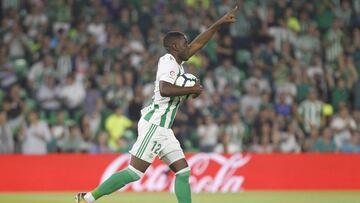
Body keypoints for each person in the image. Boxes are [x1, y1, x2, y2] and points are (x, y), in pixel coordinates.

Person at [76, 5, 238, 203]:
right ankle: (87, 199)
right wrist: (191, 90)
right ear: (175, 47)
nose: (189, 47)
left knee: (183, 172)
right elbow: (165, 89)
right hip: (154, 124)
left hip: (164, 129)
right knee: (134, 172)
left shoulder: (178, 63)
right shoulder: (167, 60)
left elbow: (198, 44)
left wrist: (218, 24)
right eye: (185, 44)